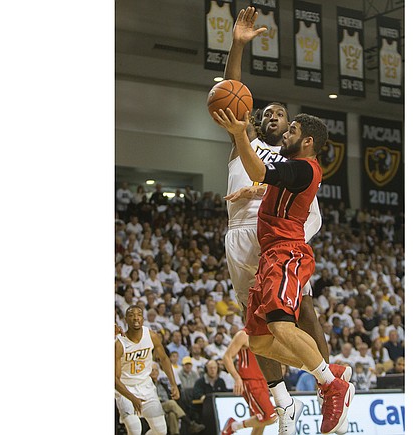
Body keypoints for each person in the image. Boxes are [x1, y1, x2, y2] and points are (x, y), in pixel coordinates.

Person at [220, 7, 350, 435]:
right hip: (242, 234)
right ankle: (284, 403)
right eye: (270, 114)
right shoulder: (253, 142)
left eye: (284, 116)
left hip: (280, 242)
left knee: (292, 314)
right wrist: (238, 44)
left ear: (298, 134)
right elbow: (233, 90)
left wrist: (256, 187)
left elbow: (269, 179)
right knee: (258, 333)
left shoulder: (294, 162)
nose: (275, 119)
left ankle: (329, 381)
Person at [115, 305, 180, 435]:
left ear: (143, 319)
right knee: (135, 430)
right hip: (125, 389)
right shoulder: (119, 344)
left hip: (146, 386)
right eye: (131, 315)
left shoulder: (151, 336)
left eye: (139, 314)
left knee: (161, 431)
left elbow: (164, 359)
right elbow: (114, 380)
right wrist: (132, 398)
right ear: (125, 320)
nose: (135, 318)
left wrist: (173, 384)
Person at [221, 330, 278, 435]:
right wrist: (237, 378)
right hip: (250, 382)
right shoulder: (243, 334)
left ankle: (234, 426)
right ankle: (233, 426)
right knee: (270, 417)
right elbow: (226, 357)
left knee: (260, 422)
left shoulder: (265, 335)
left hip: (262, 381)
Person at [150, 362, 205, 435]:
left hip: (165, 406)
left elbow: (169, 394)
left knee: (172, 414)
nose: (154, 372)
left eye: (156, 370)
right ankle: (190, 423)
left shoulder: (162, 383)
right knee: (172, 403)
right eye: (152, 370)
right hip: (154, 405)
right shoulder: (148, 384)